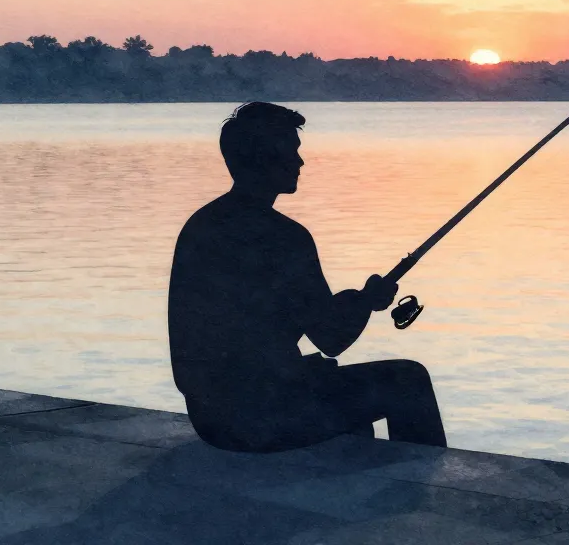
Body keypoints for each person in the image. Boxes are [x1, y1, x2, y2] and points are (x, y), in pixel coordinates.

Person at [167, 101, 447, 452]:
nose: (300, 162)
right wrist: (367, 302)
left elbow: (273, 319)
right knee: (408, 379)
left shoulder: (201, 225)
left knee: (343, 401)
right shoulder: (285, 237)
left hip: (212, 419)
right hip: (262, 420)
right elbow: (331, 337)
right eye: (291, 151)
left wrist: (358, 301)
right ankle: (423, 477)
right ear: (264, 158)